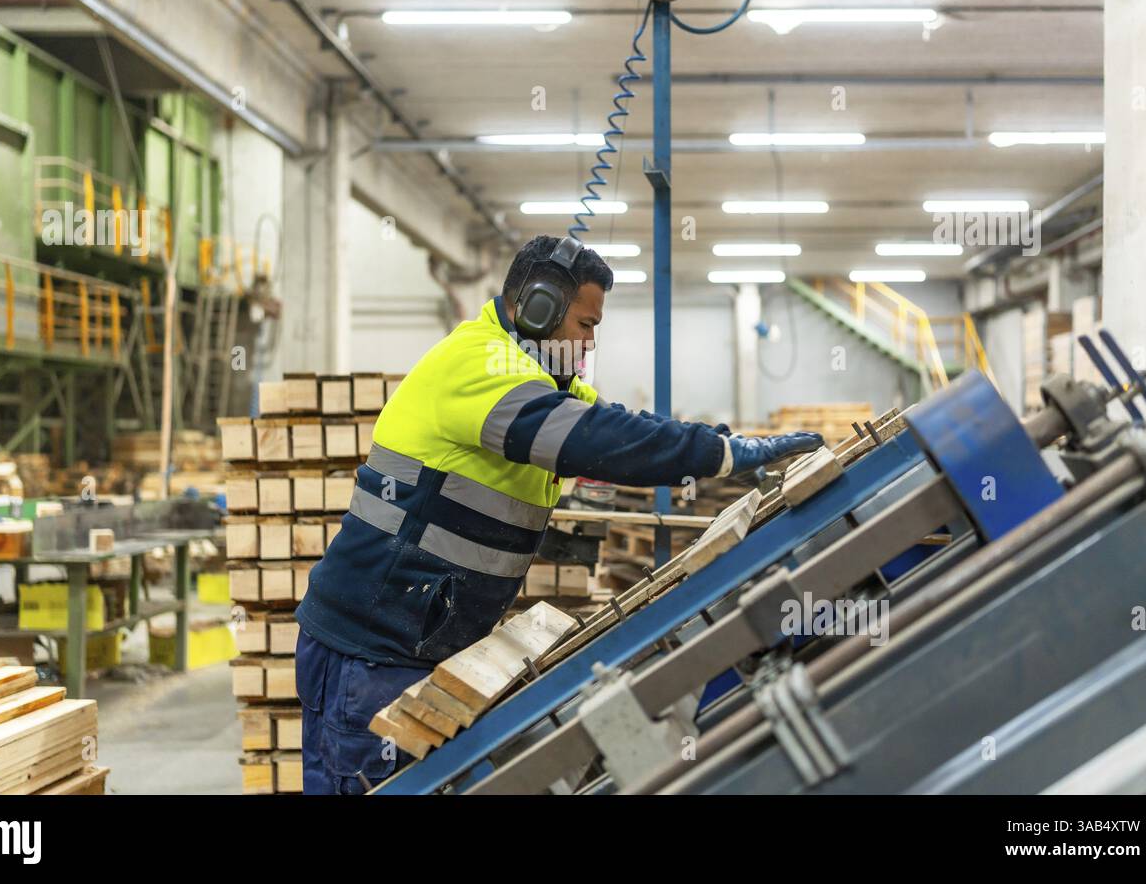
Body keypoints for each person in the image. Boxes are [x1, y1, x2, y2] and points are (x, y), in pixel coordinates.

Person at [294, 234, 823, 793]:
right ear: (538, 307)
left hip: (414, 644)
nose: (589, 344)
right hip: (370, 651)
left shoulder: (540, 379)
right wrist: (724, 456)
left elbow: (625, 425)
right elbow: (592, 438)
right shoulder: (477, 365)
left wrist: (721, 446)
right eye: (585, 325)